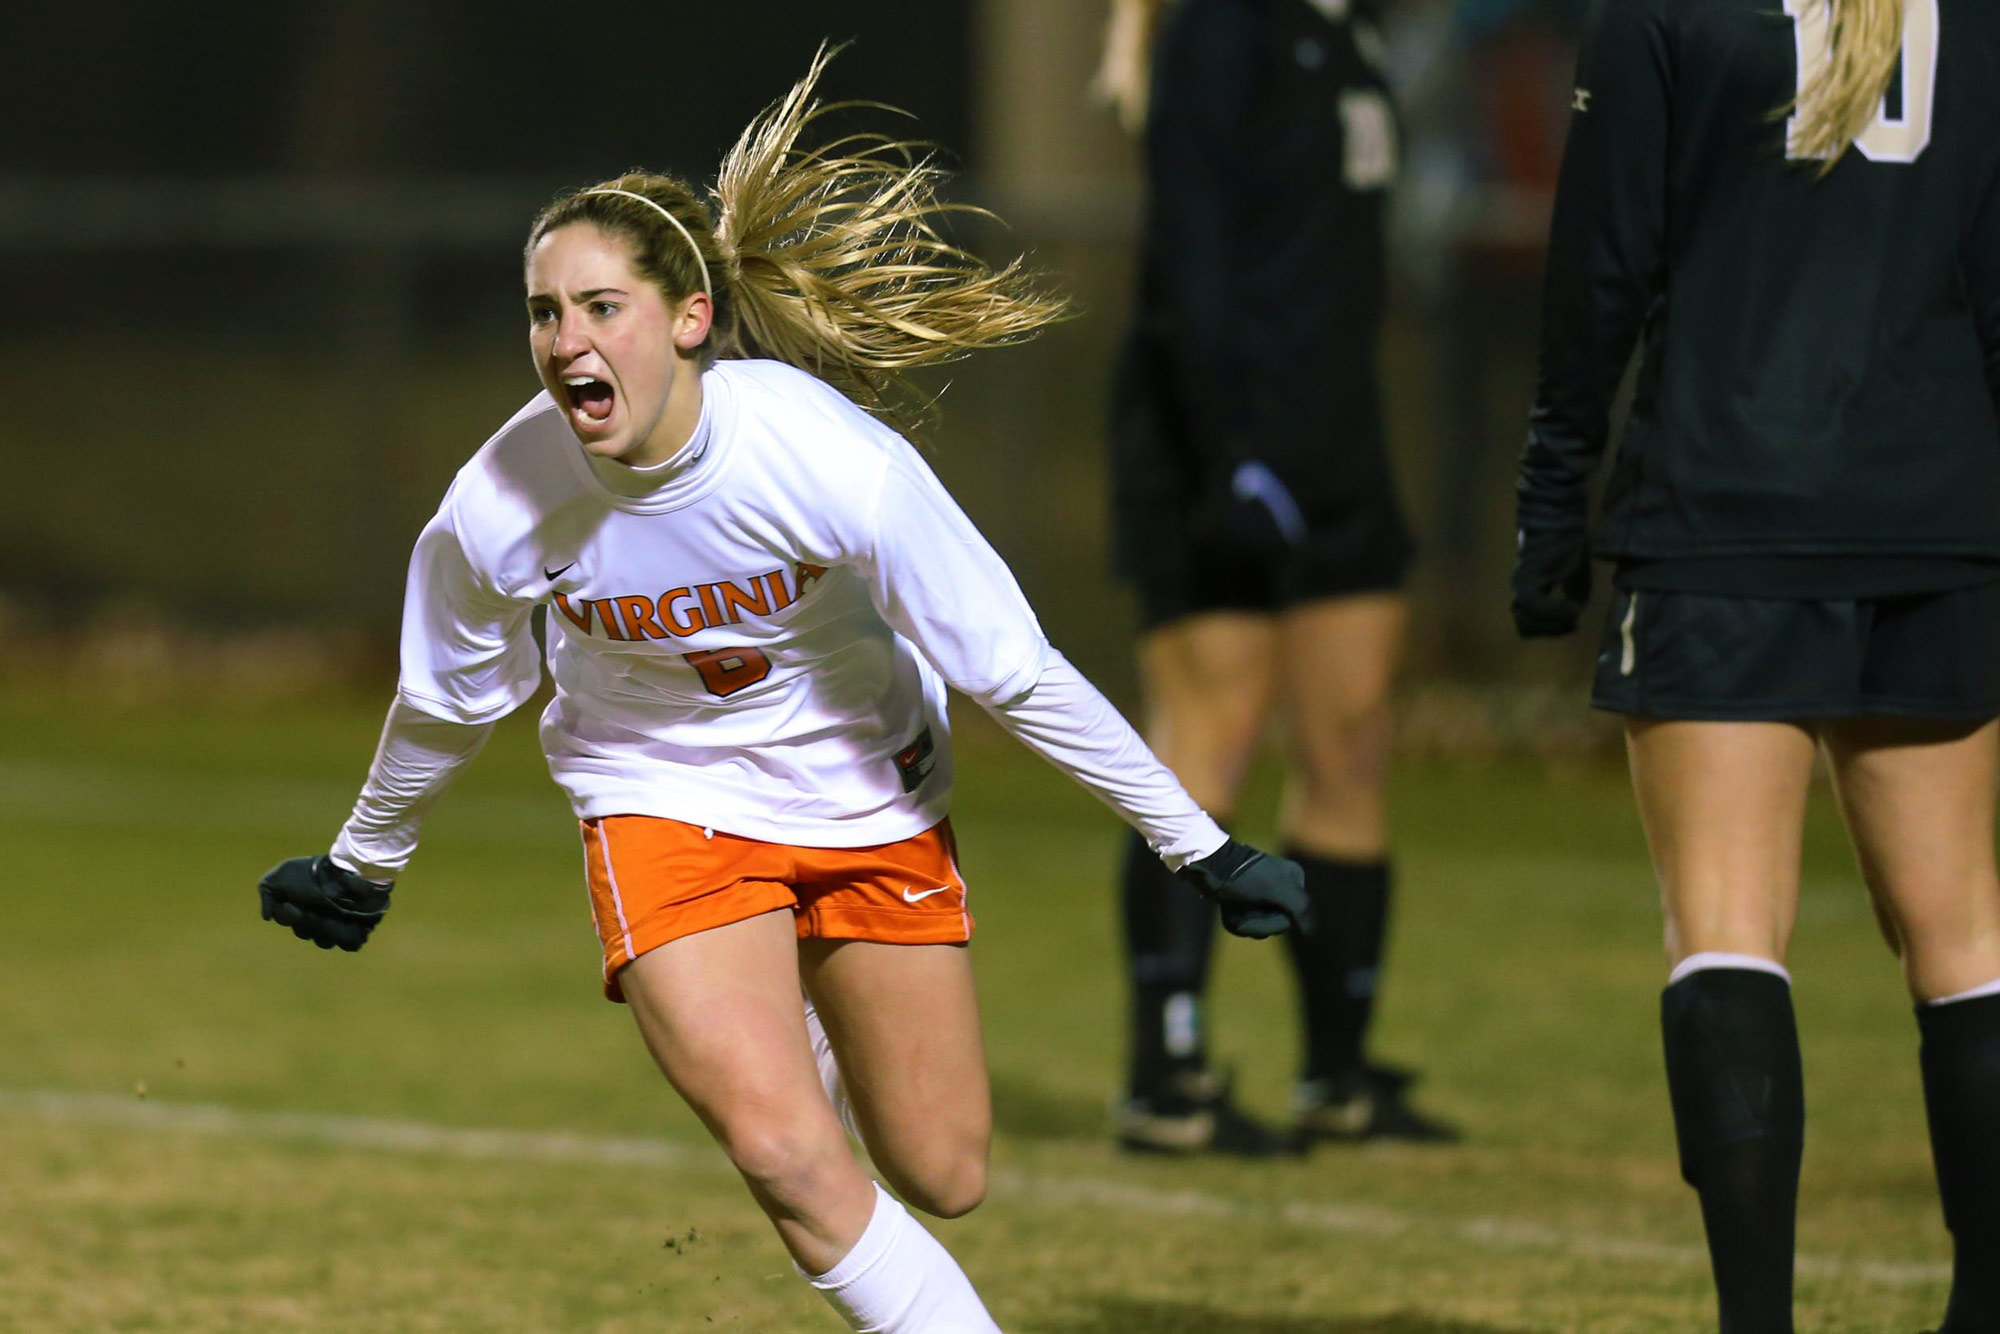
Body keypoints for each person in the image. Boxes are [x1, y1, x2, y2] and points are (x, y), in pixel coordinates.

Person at [254, 49, 1311, 1334]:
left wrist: (1194, 840)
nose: (564, 341)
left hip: (866, 790)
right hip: (661, 801)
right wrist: (367, 857)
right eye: (543, 312)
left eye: (600, 307)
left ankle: (802, 1033)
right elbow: (446, 694)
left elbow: (1011, 669)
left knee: (943, 1168)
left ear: (688, 316)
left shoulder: (828, 459)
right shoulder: (500, 500)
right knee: (787, 1155)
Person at [1514, 0, 2000, 1329]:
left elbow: (1598, 273)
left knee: (1727, 924)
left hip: (1726, 508)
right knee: (1966, 934)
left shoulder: (1666, 11)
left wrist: (1552, 507)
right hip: (1939, 510)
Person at [1095, 0, 1454, 1154]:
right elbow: (1189, 250)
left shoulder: (1347, 29)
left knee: (1349, 737)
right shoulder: (1221, 29)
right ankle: (1168, 1073)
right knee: (1211, 738)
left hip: (1333, 437)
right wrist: (1227, 448)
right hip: (1215, 440)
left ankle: (1337, 1075)